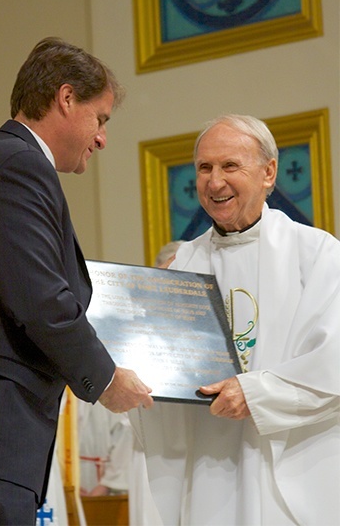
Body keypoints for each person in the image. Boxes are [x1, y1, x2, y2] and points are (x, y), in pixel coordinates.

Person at [0, 37, 153, 526]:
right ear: (65, 98)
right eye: (100, 119)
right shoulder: (16, 165)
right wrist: (105, 379)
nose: (101, 139)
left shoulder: (4, 162)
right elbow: (41, 301)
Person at [129, 114, 340, 525]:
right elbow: (157, 380)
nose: (214, 181)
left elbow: (333, 365)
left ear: (268, 172)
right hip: (210, 473)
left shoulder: (318, 256)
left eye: (230, 166)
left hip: (289, 472)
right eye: (204, 168)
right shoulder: (183, 266)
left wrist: (256, 394)